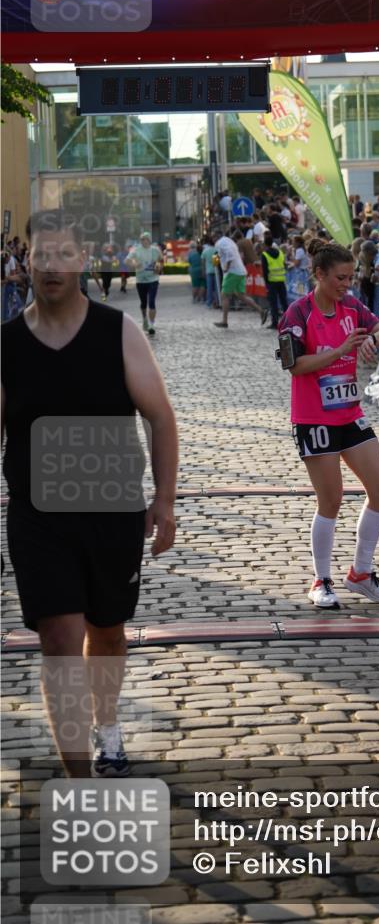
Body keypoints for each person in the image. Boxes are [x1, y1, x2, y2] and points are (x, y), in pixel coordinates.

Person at [1, 209, 177, 777]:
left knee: (106, 633)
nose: (50, 265)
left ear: (82, 261)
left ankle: (108, 726)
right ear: (26, 261)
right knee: (58, 639)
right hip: (38, 516)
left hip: (112, 509)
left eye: (62, 254)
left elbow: (160, 417)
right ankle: (78, 778)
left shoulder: (116, 332)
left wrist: (165, 500)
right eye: (40, 254)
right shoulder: (5, 344)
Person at [278, 241, 379, 609]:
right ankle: (321, 579)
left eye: (351, 277)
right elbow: (294, 365)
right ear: (319, 275)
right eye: (340, 278)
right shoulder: (297, 314)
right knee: (331, 499)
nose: (347, 284)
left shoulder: (351, 307)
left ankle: (360, 573)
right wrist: (341, 350)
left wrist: (370, 342)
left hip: (349, 413)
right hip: (314, 417)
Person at [214, 232, 263, 329]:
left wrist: (226, 267)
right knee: (241, 296)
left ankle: (224, 321)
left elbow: (230, 254)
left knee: (224, 296)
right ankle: (261, 311)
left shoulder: (220, 243)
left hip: (233, 272)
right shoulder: (229, 242)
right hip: (240, 271)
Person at [127, 231, 162, 335]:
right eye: (142, 239)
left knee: (151, 301)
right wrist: (134, 263)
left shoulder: (155, 250)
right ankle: (144, 319)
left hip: (153, 280)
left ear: (149, 240)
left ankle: (151, 324)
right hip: (141, 280)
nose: (144, 241)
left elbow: (161, 260)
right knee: (143, 303)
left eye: (146, 239)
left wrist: (159, 267)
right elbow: (127, 260)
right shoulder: (136, 250)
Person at [261, 236, 289, 329]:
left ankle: (275, 323)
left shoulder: (265, 255)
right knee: (284, 302)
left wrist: (266, 284)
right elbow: (284, 265)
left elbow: (265, 271)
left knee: (274, 304)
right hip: (281, 280)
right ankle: (289, 321)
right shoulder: (280, 252)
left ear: (265, 244)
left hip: (272, 282)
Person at [187, 239, 206, 303]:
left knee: (195, 285)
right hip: (202, 270)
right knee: (203, 285)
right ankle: (200, 298)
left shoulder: (190, 253)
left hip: (194, 271)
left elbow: (189, 262)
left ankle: (194, 299)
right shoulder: (201, 252)